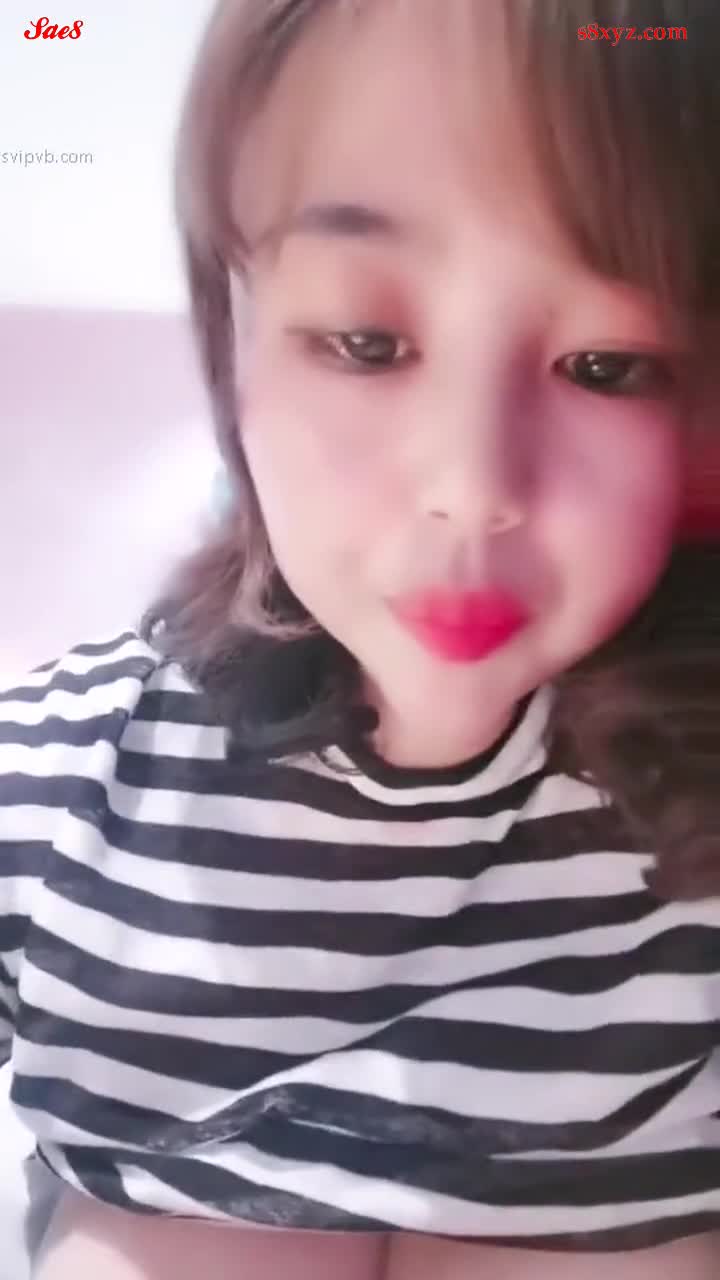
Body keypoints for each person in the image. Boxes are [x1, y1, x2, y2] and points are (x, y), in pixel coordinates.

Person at [2, 0, 719, 1275]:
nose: (473, 483)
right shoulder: (54, 793)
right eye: (366, 342)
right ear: (231, 337)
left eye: (610, 363)